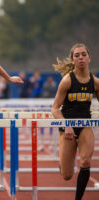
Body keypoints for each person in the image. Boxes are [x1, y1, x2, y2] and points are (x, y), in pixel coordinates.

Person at [51, 43, 99, 200]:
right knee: (66, 175)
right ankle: (62, 163)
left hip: (85, 125)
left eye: (83, 54)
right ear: (73, 59)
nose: (81, 58)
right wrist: (67, 125)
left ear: (89, 58)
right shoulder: (67, 81)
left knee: (85, 161)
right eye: (77, 55)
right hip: (68, 127)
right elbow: (55, 108)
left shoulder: (95, 82)